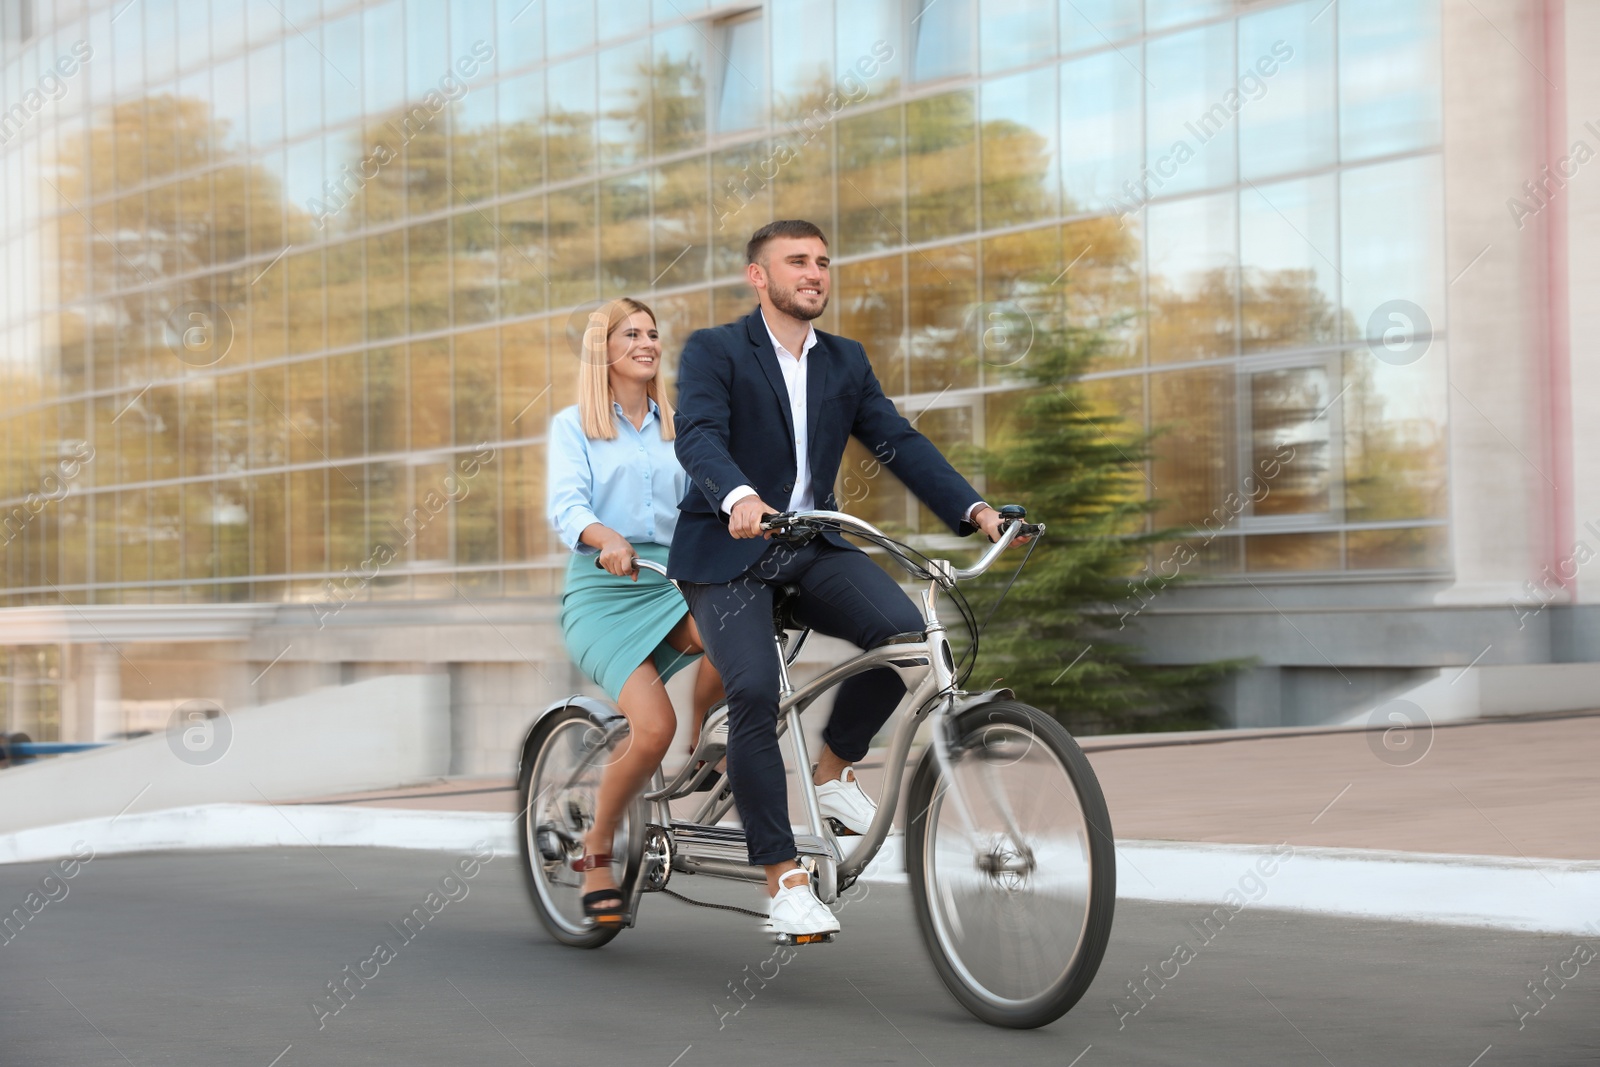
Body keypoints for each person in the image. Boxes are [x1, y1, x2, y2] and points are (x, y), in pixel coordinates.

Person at [670, 220, 1022, 939]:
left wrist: (975, 507)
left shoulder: (844, 361)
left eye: (824, 261)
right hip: (727, 547)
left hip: (809, 544)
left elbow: (897, 440)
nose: (816, 272)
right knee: (754, 693)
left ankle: (830, 773)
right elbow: (697, 433)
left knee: (908, 640)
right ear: (758, 277)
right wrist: (738, 497)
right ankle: (784, 880)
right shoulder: (717, 350)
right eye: (797, 261)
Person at [547, 297, 725, 928]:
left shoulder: (681, 424)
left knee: (733, 633)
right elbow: (567, 504)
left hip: (674, 576)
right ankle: (596, 849)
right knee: (651, 730)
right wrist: (604, 537)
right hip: (605, 584)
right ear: (606, 348)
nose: (648, 343)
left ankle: (707, 741)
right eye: (633, 333)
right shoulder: (574, 426)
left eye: (654, 333)